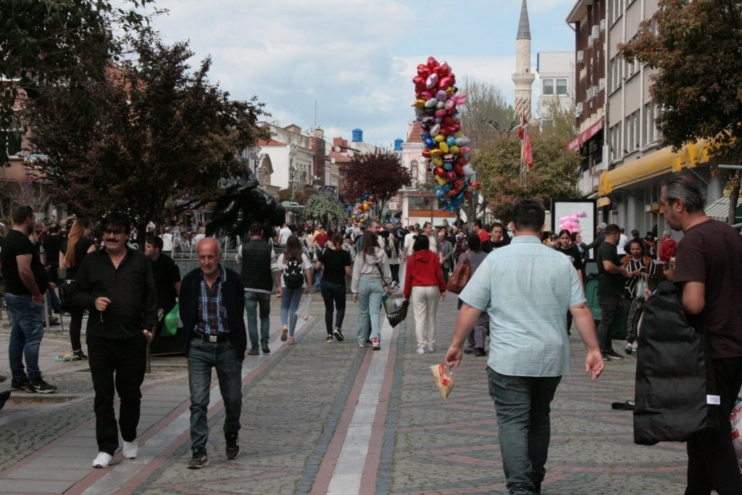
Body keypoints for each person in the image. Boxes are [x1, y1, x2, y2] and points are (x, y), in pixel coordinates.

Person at [444, 199, 604, 495]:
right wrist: (593, 349)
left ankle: (521, 488)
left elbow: (470, 306)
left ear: (512, 227)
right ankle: (535, 482)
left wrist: (455, 345)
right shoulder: (561, 261)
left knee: (513, 422)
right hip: (550, 358)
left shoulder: (496, 260)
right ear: (543, 228)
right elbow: (580, 307)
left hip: (509, 358)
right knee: (539, 417)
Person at [659, 172, 742, 495]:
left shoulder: (694, 241)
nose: (663, 213)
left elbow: (694, 303)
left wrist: (671, 287)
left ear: (679, 204)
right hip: (734, 345)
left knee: (711, 431)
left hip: (712, 351)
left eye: (664, 206)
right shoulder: (730, 234)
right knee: (701, 432)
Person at [72, 212, 158, 468]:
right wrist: (92, 301)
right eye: (108, 231)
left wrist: (148, 329)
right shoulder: (91, 262)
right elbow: (75, 294)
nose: (111, 236)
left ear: (126, 235)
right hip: (100, 337)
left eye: (117, 232)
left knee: (130, 393)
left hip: (133, 337)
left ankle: (129, 436)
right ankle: (106, 447)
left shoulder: (140, 261)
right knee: (103, 394)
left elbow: (151, 297)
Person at [180, 237, 247, 469]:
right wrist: (187, 344)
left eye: (210, 257)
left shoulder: (233, 280)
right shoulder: (190, 281)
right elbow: (184, 310)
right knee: (198, 402)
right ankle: (199, 450)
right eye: (202, 257)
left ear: (219, 257)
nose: (206, 262)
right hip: (199, 345)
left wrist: (239, 346)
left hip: (227, 345)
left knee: (233, 399)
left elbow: (238, 311)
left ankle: (231, 433)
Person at [2, 206, 57, 394]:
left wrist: (42, 277)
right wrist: (36, 293)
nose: (35, 222)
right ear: (27, 219)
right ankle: (34, 378)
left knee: (17, 336)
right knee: (33, 337)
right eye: (33, 218)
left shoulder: (9, 239)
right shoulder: (21, 241)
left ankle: (18, 378)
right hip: (24, 296)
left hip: (14, 293)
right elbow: (24, 270)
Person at [236, 223, 281, 356]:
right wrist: (278, 286)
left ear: (249, 233)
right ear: (262, 232)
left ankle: (254, 348)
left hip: (248, 287)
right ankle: (265, 343)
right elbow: (274, 269)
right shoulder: (269, 249)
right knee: (265, 316)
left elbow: (238, 261)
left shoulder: (243, 247)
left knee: (251, 318)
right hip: (265, 288)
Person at [60, 218, 97, 360]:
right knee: (92, 317)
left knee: (76, 319)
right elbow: (93, 265)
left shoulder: (65, 244)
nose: (90, 232)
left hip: (69, 284)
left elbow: (62, 266)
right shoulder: (88, 244)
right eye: (89, 229)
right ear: (84, 228)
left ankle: (76, 349)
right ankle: (93, 347)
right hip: (84, 284)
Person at [404, 235, 446, 354]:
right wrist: (443, 288)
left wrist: (406, 295)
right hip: (433, 287)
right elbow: (439, 273)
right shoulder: (433, 256)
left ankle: (421, 346)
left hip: (418, 288)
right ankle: (431, 345)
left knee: (419, 318)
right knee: (431, 317)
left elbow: (408, 278)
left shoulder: (412, 258)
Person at [351, 231, 392, 350]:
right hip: (377, 282)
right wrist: (388, 284)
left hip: (363, 282)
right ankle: (375, 339)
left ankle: (361, 340)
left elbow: (356, 274)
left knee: (363, 312)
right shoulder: (381, 252)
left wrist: (354, 291)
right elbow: (387, 271)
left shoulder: (361, 254)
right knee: (374, 313)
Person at [595, 224, 628, 361]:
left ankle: (607, 348)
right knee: (606, 321)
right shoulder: (607, 248)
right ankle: (600, 350)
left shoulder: (608, 248)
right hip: (608, 290)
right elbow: (608, 266)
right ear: (617, 235)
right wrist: (621, 270)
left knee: (609, 321)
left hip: (612, 290)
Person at [316, 232, 352, 342]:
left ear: (331, 240)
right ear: (342, 241)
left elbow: (317, 266)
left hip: (326, 283)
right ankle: (337, 328)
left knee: (329, 309)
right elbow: (348, 271)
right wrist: (354, 278)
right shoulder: (345, 254)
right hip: (339, 284)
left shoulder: (326, 252)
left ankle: (329, 335)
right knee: (340, 308)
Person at [144, 235, 181, 342]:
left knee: (156, 315)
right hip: (151, 298)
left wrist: (181, 302)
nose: (145, 248)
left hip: (165, 299)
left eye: (148, 246)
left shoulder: (167, 262)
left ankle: (151, 339)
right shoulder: (145, 262)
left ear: (156, 249)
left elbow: (177, 283)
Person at [620, 238, 654, 355]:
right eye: (632, 249)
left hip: (640, 293)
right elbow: (620, 273)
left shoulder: (648, 261)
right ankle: (635, 341)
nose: (635, 251)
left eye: (637, 249)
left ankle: (629, 341)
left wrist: (642, 274)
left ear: (642, 248)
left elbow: (654, 277)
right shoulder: (625, 260)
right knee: (630, 316)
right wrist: (625, 274)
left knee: (633, 316)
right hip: (626, 292)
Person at [277, 236, 312, 345]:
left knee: (284, 306)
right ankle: (291, 336)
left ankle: (284, 326)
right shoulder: (302, 256)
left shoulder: (283, 256)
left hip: (285, 284)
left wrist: (278, 285)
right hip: (299, 285)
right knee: (294, 308)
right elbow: (308, 272)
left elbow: (278, 272)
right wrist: (309, 287)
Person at [458, 235, 490, 356]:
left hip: (466, 291)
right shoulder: (486, 257)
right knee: (481, 321)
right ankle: (479, 346)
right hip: (482, 290)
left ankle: (470, 345)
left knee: (468, 318)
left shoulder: (464, 256)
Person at [555, 229, 585, 335]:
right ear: (559, 239)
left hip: (571, 283)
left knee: (570, 309)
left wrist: (581, 285)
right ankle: (560, 330)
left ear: (569, 239)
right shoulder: (557, 252)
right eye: (562, 238)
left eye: (566, 238)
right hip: (559, 283)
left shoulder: (574, 251)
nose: (564, 240)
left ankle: (566, 331)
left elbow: (579, 268)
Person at [41, 223, 63, 325]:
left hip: (49, 265)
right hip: (60, 265)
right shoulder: (62, 239)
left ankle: (55, 306)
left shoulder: (46, 240)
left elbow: (44, 252)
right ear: (58, 230)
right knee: (60, 285)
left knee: (49, 285)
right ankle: (59, 306)